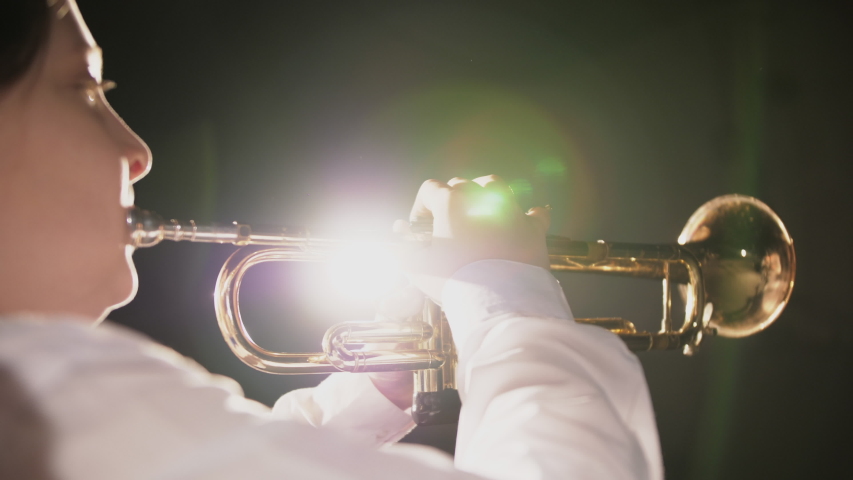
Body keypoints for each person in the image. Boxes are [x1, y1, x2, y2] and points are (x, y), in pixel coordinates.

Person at [0, 1, 663, 479]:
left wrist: (371, 392)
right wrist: (507, 299)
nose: (137, 151)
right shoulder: (43, 383)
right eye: (85, 85)